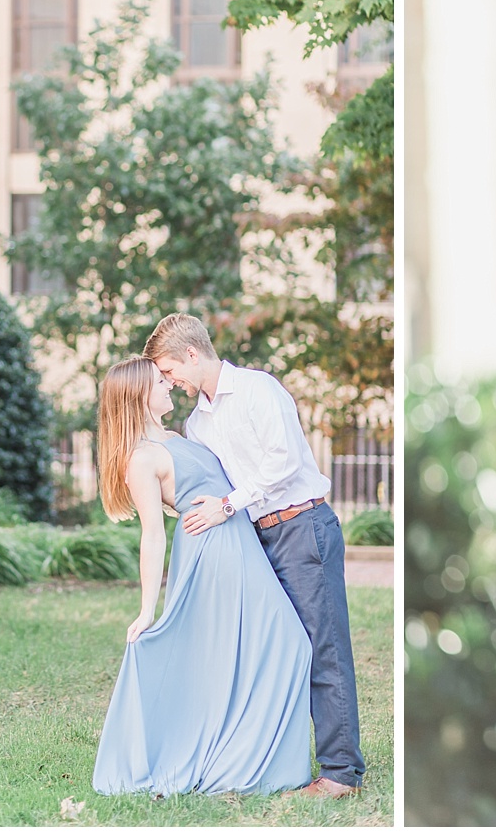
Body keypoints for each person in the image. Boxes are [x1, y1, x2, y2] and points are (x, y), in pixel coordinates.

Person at [145, 313, 366, 799]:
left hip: (301, 526)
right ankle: (264, 757)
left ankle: (340, 773)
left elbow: (282, 462)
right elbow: (212, 484)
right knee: (278, 649)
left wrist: (226, 506)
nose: (169, 381)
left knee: (322, 648)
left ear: (192, 354)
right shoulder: (195, 423)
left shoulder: (257, 390)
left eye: (169, 370)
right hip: (257, 537)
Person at [90, 356, 313, 796]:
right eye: (159, 382)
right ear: (139, 394)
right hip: (214, 555)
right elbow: (153, 536)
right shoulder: (141, 458)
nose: (169, 386)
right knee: (289, 642)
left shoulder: (180, 435)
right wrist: (145, 610)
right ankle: (243, 763)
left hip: (239, 541)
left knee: (284, 645)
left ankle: (250, 755)